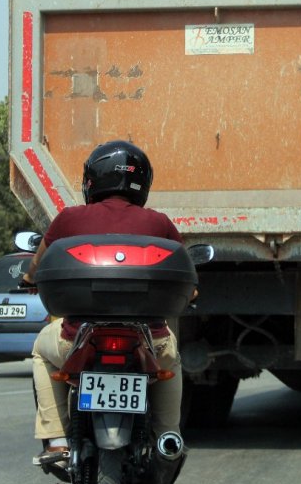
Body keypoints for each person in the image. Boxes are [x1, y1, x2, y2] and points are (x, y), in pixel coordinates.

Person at [23, 140, 184, 466]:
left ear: (91, 181)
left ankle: (55, 440)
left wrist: (28, 280)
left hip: (76, 339)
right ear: (143, 182)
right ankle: (169, 437)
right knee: (173, 358)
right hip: (150, 341)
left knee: (41, 351)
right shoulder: (160, 223)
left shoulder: (68, 220)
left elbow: (38, 267)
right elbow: (183, 275)